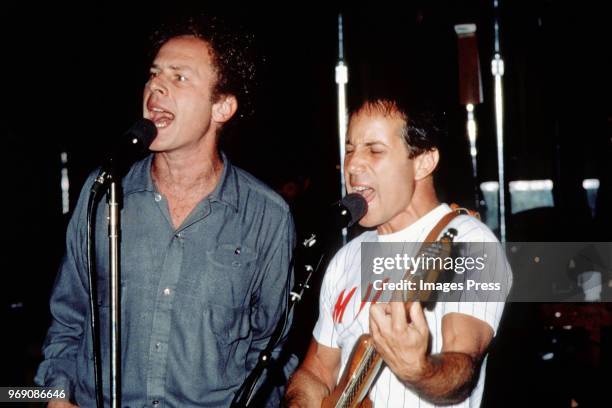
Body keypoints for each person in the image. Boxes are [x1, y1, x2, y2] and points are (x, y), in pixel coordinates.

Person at [35, 14, 295, 407]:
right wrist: (54, 396)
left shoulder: (267, 216)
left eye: (179, 77)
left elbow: (272, 350)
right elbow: (68, 319)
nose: (155, 86)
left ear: (221, 107)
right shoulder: (103, 191)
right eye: (154, 75)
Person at [285, 97, 512, 407]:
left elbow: (462, 366)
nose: (353, 165)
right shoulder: (347, 257)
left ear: (423, 162)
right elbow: (318, 370)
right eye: (350, 149)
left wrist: (417, 370)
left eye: (375, 150)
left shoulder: (468, 244)